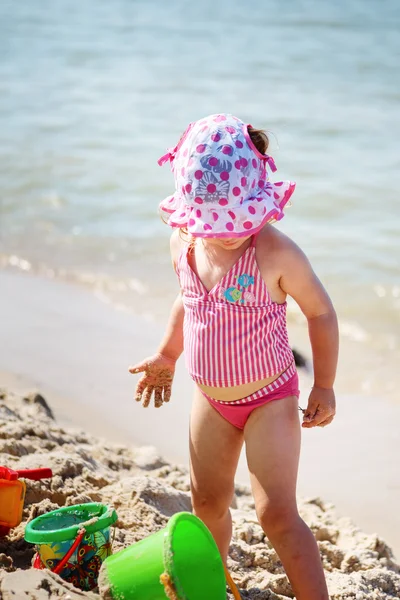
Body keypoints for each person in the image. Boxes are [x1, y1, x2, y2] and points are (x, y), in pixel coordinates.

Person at [129, 113, 338, 600]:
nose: (226, 233)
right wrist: (167, 354)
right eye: (215, 223)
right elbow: (188, 301)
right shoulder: (186, 244)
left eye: (238, 221)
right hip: (211, 398)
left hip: (270, 397)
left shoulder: (275, 253)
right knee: (207, 503)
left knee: (276, 514)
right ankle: (210, 588)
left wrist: (323, 384)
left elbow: (321, 312)